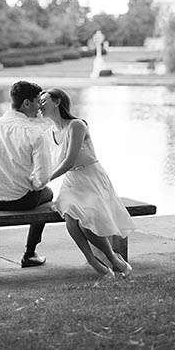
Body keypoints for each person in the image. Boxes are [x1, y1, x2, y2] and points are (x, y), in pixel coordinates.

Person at [41, 88, 134, 279]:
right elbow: (54, 163)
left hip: (91, 178)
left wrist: (45, 179)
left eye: (44, 100)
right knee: (69, 215)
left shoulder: (77, 125)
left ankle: (113, 259)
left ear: (57, 102)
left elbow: (69, 160)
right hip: (71, 183)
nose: (40, 105)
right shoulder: (50, 132)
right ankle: (92, 260)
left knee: (86, 223)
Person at [0, 80, 54, 268]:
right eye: (37, 102)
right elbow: (42, 179)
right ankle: (30, 253)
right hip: (22, 202)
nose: (39, 108)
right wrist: (31, 185)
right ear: (26, 103)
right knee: (48, 194)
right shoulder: (35, 132)